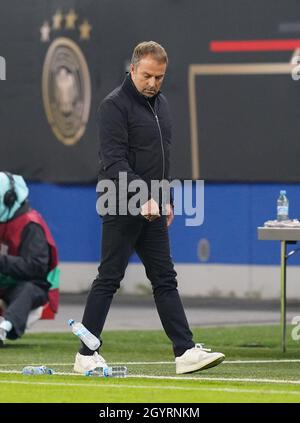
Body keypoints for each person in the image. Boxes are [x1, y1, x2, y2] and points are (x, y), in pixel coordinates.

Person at [73, 41, 225, 374]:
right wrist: (143, 196)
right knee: (109, 277)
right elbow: (113, 161)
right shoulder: (113, 106)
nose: (153, 83)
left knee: (164, 278)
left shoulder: (162, 106)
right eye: (147, 76)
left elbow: (161, 161)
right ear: (133, 69)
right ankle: (85, 355)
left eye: (159, 77)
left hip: (153, 205)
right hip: (121, 202)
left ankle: (184, 352)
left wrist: (164, 197)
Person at [0, 171, 59, 347]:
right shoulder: (5, 219)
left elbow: (36, 268)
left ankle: (4, 328)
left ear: (9, 199)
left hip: (35, 287)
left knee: (28, 288)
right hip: (6, 282)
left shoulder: (31, 224)